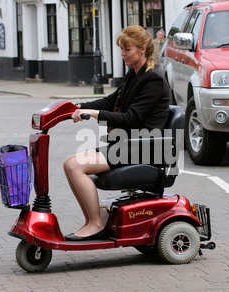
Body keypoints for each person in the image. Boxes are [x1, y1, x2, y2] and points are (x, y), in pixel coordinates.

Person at [63, 25, 170, 241]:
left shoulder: (153, 79)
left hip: (144, 147)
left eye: (126, 49)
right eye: (121, 49)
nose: (122, 54)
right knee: (69, 162)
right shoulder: (135, 74)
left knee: (76, 166)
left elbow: (132, 118)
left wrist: (94, 114)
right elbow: (110, 101)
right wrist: (76, 107)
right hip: (128, 145)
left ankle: (96, 224)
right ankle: (95, 218)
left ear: (142, 49)